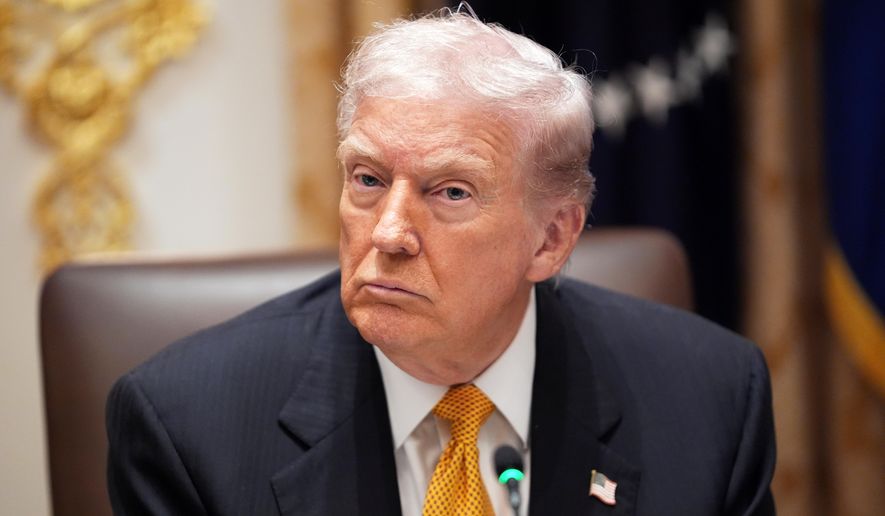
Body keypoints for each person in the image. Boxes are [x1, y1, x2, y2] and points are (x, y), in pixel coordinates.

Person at [106, 9, 776, 516]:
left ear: (550, 239)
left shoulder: (709, 400)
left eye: (450, 192)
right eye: (367, 179)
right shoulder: (188, 427)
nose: (388, 232)